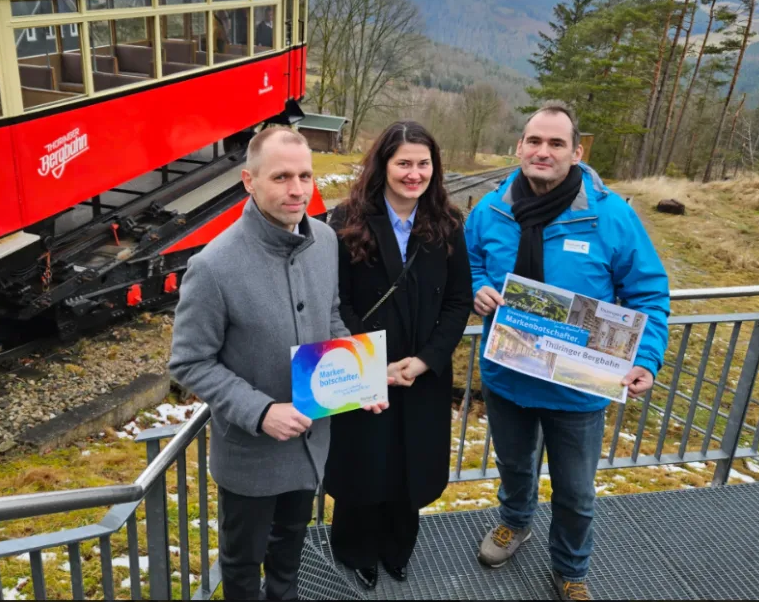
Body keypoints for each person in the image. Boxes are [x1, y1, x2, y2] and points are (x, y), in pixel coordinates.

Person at [464, 101, 670, 601]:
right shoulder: (489, 211)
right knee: (514, 468)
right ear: (519, 147)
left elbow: (648, 293)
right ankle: (515, 522)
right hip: (508, 377)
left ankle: (571, 570)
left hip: (578, 389)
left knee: (576, 492)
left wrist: (645, 358)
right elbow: (468, 264)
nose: (543, 151)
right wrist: (477, 288)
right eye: (534, 141)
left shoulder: (610, 215)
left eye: (556, 143)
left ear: (576, 153)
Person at [170, 126, 364, 600]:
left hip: (310, 444)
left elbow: (330, 315)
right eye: (280, 177)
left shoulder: (324, 239)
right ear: (248, 181)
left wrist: (358, 376)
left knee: (289, 552)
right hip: (250, 458)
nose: (297, 190)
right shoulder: (213, 266)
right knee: (242, 563)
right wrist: (260, 412)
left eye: (305, 175)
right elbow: (190, 361)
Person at [325, 120, 473, 590]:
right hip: (363, 366)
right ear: (383, 164)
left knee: (411, 462)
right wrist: (372, 361)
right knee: (364, 461)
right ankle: (356, 550)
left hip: (422, 371)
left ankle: (396, 547)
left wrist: (428, 358)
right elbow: (337, 301)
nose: (414, 173)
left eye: (422, 163)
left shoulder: (447, 224)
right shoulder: (346, 221)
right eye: (403, 162)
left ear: (435, 167)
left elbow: (458, 300)